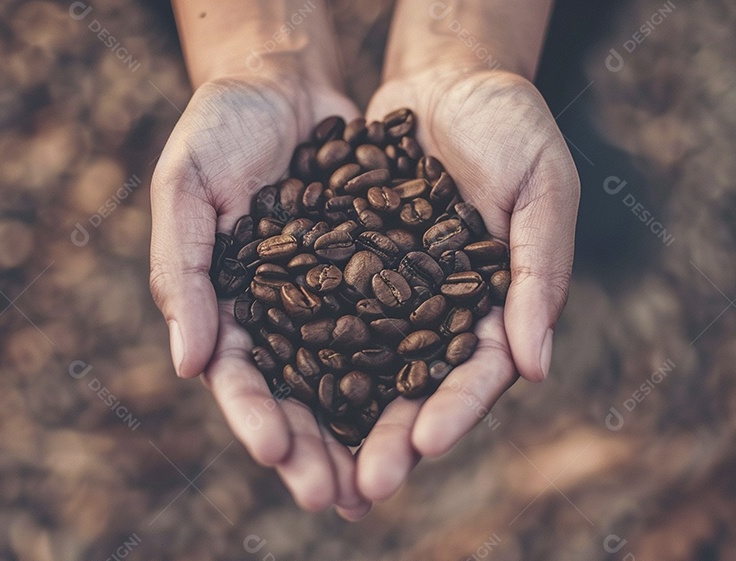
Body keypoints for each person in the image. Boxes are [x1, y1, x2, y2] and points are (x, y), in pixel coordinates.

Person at [149, 0, 579, 521]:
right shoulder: (296, 274)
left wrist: (469, 53)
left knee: (549, 117)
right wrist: (252, 55)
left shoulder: (397, 246)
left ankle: (576, 179)